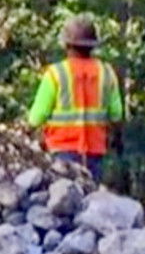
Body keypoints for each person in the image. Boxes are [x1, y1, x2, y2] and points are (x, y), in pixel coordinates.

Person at [27, 15, 126, 185]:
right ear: (93, 46)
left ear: (66, 44)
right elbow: (116, 115)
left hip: (62, 151)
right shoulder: (106, 72)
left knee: (66, 200)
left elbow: (36, 117)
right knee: (89, 200)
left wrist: (29, 133)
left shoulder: (55, 74)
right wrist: (117, 139)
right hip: (94, 152)